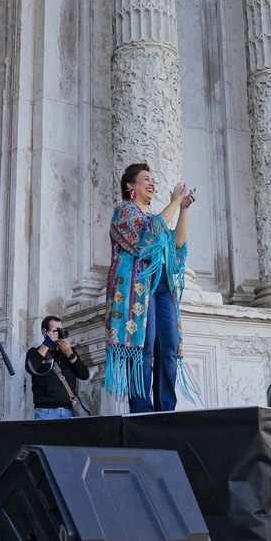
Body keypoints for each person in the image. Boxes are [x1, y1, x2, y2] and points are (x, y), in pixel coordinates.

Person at [104, 163, 194, 413]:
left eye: (153, 179)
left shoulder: (156, 218)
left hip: (163, 284)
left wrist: (183, 209)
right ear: (130, 186)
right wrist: (174, 202)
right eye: (145, 179)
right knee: (143, 344)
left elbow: (176, 244)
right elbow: (147, 235)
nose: (151, 183)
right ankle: (142, 410)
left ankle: (166, 409)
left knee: (169, 346)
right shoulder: (124, 212)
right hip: (139, 285)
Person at [27, 315, 91, 420]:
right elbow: (31, 368)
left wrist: (70, 355)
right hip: (45, 412)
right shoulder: (34, 352)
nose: (58, 334)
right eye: (55, 331)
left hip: (68, 411)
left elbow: (84, 375)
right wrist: (47, 343)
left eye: (60, 330)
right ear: (44, 332)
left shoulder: (68, 352)